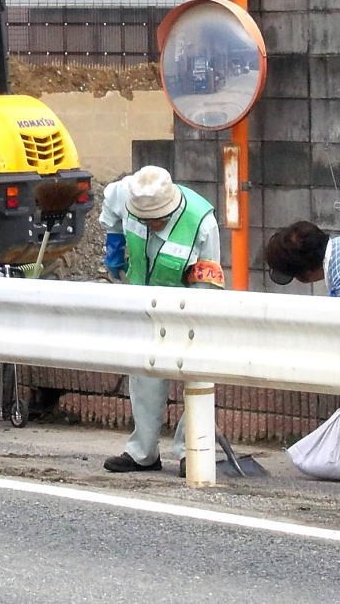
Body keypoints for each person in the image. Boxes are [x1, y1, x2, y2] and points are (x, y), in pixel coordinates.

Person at [101, 165, 224, 473]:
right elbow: (110, 208)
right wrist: (114, 243)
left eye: (158, 220)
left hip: (187, 303)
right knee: (144, 374)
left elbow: (205, 284)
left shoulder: (200, 223)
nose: (151, 224)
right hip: (145, 301)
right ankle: (142, 452)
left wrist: (196, 321)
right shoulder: (130, 192)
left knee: (194, 375)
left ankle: (190, 451)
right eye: (145, 220)